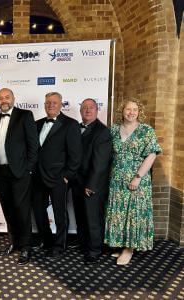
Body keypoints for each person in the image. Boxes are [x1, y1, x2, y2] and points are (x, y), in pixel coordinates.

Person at [105, 98, 161, 265]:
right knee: (119, 213)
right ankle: (122, 245)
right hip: (116, 179)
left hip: (137, 179)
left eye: (135, 109)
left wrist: (137, 177)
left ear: (139, 112)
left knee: (133, 213)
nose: (131, 112)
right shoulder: (113, 130)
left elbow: (152, 154)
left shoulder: (146, 130)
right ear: (122, 111)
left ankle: (129, 249)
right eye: (128, 109)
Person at [0, 88, 39, 265]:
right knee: (9, 209)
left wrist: (29, 169)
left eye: (7, 97)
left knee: (22, 209)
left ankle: (26, 247)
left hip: (20, 172)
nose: (4, 100)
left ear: (13, 99)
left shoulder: (25, 115)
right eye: (0, 98)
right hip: (0, 172)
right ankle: (14, 242)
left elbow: (33, 144)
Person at [33, 92, 82, 258]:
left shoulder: (71, 124)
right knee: (38, 211)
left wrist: (67, 176)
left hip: (59, 177)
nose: (51, 105)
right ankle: (46, 241)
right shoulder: (37, 124)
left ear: (61, 105)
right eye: (48, 103)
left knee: (60, 213)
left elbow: (75, 155)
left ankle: (60, 246)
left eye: (54, 102)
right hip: (38, 177)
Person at [70, 98, 112, 264]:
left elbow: (100, 163)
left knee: (93, 218)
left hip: (92, 184)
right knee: (81, 215)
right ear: (80, 111)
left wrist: (91, 185)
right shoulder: (76, 128)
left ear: (97, 110)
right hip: (77, 182)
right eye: (84, 107)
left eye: (91, 108)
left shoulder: (103, 132)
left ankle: (95, 249)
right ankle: (83, 244)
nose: (87, 110)